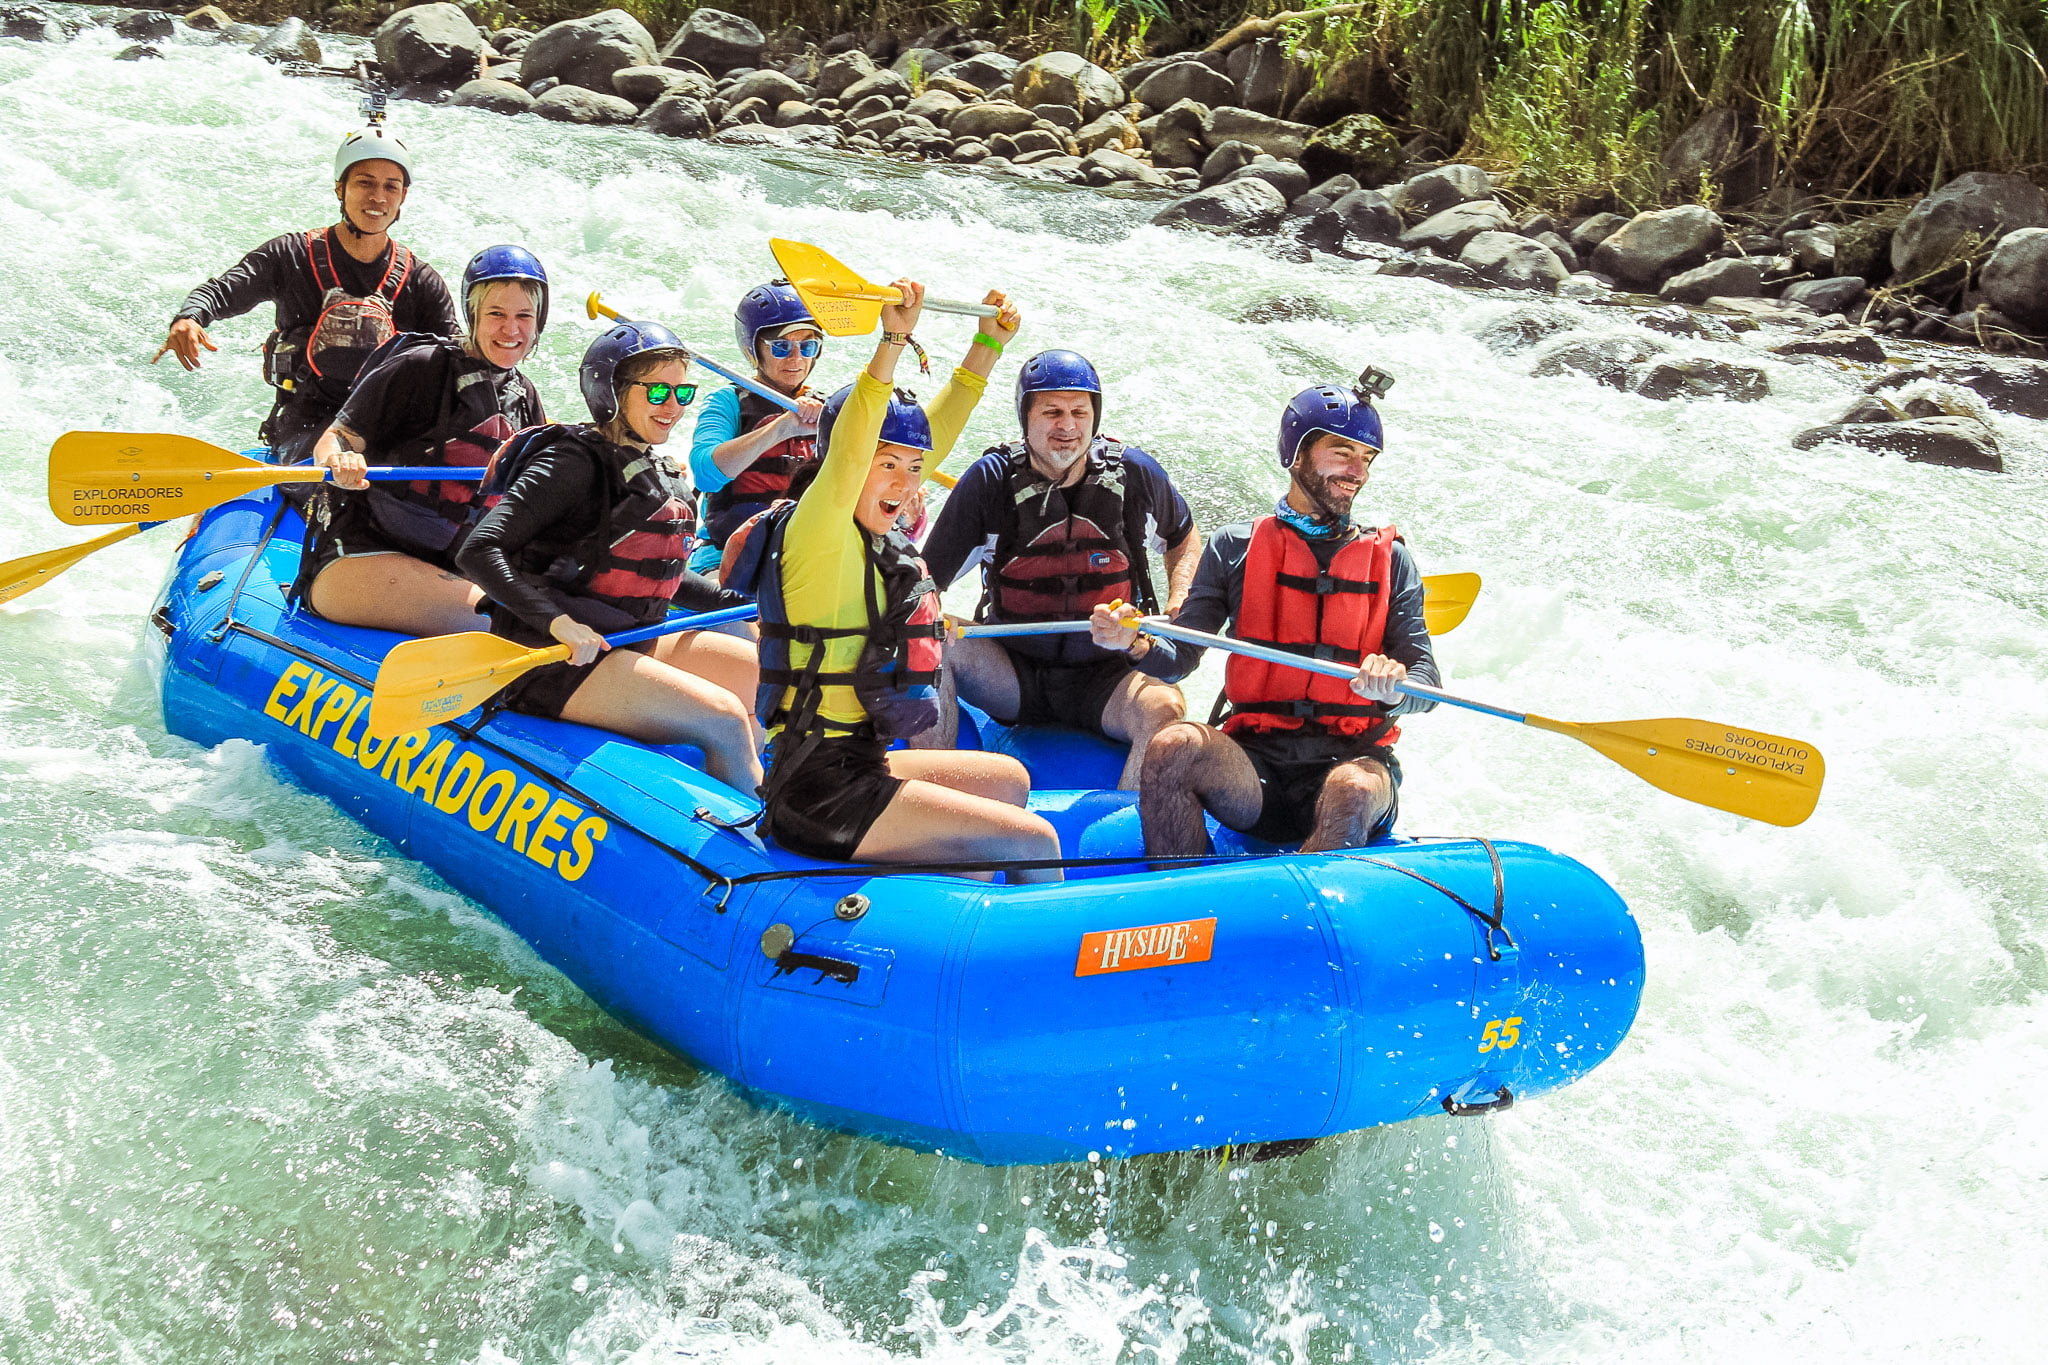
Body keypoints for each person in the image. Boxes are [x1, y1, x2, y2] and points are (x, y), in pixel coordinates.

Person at [734, 281, 1061, 879]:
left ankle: (953, 905)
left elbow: (935, 432)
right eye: (887, 465)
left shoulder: (875, 526)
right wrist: (891, 340)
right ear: (851, 464)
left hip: (861, 762)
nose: (906, 483)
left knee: (1007, 780)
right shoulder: (818, 529)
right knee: (1034, 839)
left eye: (914, 469)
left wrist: (986, 347)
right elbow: (852, 442)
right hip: (818, 791)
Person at [1115, 371, 1439, 857]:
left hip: (1356, 758)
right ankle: (1179, 895)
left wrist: (1394, 687)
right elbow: (1178, 657)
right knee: (1171, 746)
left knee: (1351, 788)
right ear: (1297, 454)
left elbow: (1427, 683)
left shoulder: (1392, 561)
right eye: (1342, 452)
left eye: (1367, 458)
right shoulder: (1234, 547)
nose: (1358, 471)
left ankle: (1307, 900)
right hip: (1256, 764)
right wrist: (1133, 642)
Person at [456, 321, 763, 793]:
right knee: (724, 719)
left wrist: (747, 606)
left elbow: (660, 575)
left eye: (683, 392)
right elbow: (479, 549)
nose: (673, 407)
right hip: (553, 656)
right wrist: (559, 624)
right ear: (611, 392)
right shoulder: (570, 462)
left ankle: (757, 784)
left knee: (768, 673)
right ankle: (756, 828)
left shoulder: (656, 470)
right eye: (657, 391)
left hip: (627, 640)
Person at [918, 349, 1201, 788]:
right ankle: (933, 796)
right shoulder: (990, 482)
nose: (1067, 426)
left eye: (1078, 412)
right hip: (1013, 673)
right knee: (933, 636)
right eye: (1052, 412)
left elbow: (1183, 537)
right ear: (1025, 418)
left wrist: (1180, 598)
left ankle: (1127, 820)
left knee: (1166, 710)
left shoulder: (1135, 475)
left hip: (1108, 675)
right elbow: (925, 585)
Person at [153, 118, 459, 463]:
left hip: (385, 428)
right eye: (365, 183)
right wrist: (189, 318)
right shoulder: (291, 255)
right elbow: (221, 291)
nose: (378, 197)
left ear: (403, 196)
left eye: (391, 187)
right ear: (340, 188)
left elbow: (458, 358)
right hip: (305, 424)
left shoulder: (420, 280)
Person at [296, 246, 549, 636]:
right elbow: (336, 439)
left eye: (523, 316)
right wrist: (340, 461)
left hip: (453, 566)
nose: (511, 330)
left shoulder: (524, 397)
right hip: (363, 557)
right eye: (496, 314)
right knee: (515, 626)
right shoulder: (422, 367)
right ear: (473, 315)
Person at [685, 281, 828, 576]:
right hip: (725, 558)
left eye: (807, 346)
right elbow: (706, 473)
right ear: (753, 350)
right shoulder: (727, 401)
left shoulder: (826, 410)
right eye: (781, 347)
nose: (797, 359)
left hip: (797, 560)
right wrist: (782, 429)